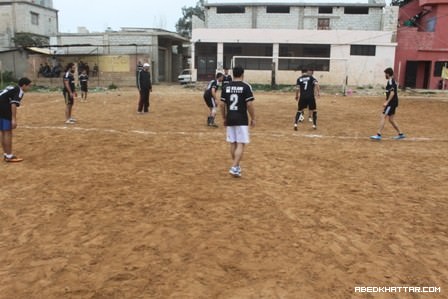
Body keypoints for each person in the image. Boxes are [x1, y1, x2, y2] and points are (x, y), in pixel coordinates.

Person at [220, 66, 256, 178]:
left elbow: (222, 104)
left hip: (230, 117)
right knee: (240, 143)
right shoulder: (246, 86)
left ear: (233, 74)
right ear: (242, 74)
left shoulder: (226, 86)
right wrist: (253, 118)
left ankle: (236, 167)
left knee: (233, 143)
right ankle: (234, 166)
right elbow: (249, 104)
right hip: (241, 118)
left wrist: (224, 118)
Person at [0, 77, 32, 162]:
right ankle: (9, 156)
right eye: (29, 86)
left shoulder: (12, 87)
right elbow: (13, 104)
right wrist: (13, 119)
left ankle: (6, 154)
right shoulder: (19, 91)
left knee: (3, 132)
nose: (29, 88)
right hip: (3, 108)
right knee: (7, 132)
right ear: (24, 85)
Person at [370, 68, 405, 140]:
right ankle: (400, 134)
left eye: (385, 74)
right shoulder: (391, 81)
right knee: (391, 119)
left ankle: (378, 134)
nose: (385, 75)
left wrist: (387, 102)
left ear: (388, 74)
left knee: (383, 116)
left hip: (391, 103)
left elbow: (392, 93)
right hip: (393, 102)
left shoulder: (391, 81)